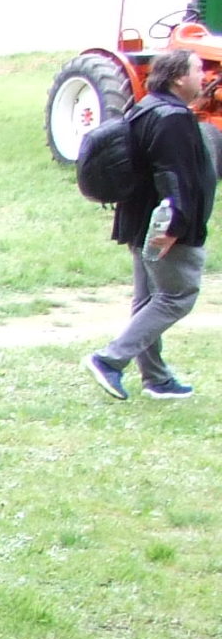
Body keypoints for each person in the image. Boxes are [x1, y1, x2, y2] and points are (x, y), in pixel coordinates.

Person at [86, 48, 213, 401]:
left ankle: (155, 378)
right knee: (177, 296)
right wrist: (175, 227)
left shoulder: (146, 107)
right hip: (163, 224)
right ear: (179, 78)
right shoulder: (172, 118)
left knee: (147, 301)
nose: (203, 76)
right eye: (197, 69)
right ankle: (110, 359)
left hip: (140, 220)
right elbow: (173, 175)